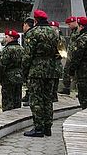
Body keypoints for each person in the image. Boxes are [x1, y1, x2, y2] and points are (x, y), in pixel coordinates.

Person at [22, 9, 61, 137]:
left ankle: (38, 128)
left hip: (37, 70)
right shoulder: (54, 32)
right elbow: (60, 52)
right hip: (51, 69)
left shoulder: (33, 33)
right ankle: (47, 127)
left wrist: (25, 70)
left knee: (36, 99)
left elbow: (28, 55)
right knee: (48, 99)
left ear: (35, 20)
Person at [0, 29, 24, 111]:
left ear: (11, 38)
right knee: (17, 100)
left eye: (6, 37)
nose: (5, 38)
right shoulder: (21, 49)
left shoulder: (7, 50)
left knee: (7, 101)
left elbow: (2, 65)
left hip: (8, 78)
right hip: (19, 77)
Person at [59, 16, 79, 95]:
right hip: (70, 55)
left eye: (69, 24)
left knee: (75, 74)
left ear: (74, 22)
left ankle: (75, 89)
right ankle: (66, 87)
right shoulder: (73, 31)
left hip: (75, 55)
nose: (68, 26)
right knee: (66, 71)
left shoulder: (78, 31)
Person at [20, 17, 36, 105]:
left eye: (23, 25)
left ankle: (31, 98)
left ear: (26, 25)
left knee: (31, 81)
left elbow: (28, 51)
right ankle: (28, 95)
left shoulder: (30, 34)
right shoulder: (29, 33)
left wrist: (24, 64)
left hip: (31, 62)